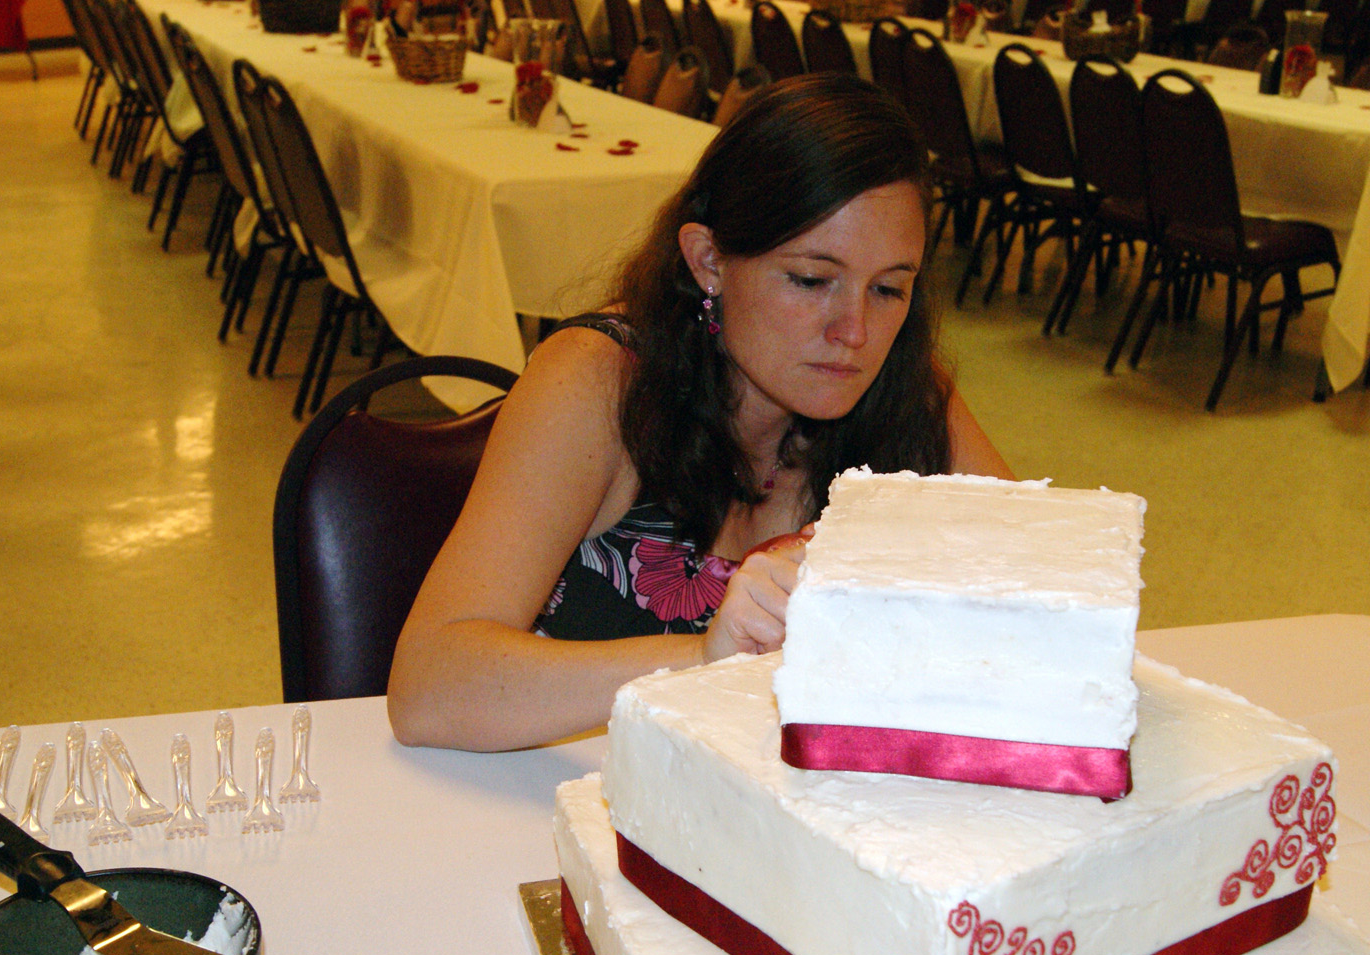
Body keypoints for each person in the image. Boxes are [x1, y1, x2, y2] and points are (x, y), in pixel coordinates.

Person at [387, 74, 1011, 750]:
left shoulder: (906, 388)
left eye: (889, 288)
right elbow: (428, 690)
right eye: (811, 280)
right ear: (709, 260)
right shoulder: (602, 382)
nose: (855, 331)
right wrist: (706, 659)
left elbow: (1046, 599)